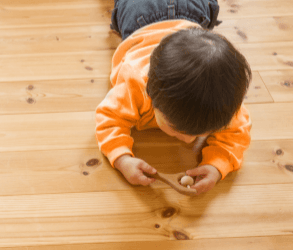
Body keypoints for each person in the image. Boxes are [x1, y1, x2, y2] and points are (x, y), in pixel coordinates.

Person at [95, 0, 252, 195]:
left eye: (201, 132)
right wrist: (122, 158)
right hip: (141, 12)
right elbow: (109, 119)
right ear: (150, 94)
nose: (188, 140)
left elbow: (237, 132)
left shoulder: (223, 101)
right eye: (175, 128)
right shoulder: (135, 83)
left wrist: (217, 165)